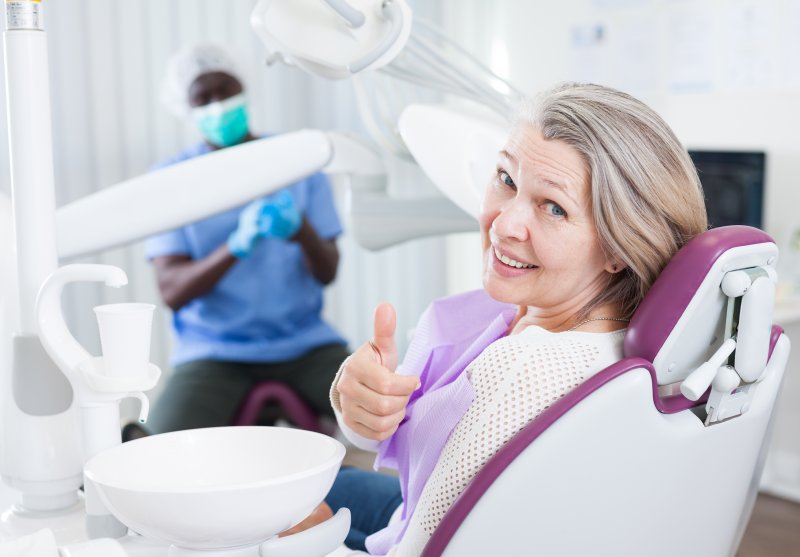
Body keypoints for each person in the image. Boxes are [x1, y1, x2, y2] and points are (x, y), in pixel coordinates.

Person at [292, 83, 708, 555]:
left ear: (618, 246)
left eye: (554, 208)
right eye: (507, 179)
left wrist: (309, 546)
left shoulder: (525, 370)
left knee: (278, 511)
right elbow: (388, 430)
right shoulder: (539, 316)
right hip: (411, 510)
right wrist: (361, 402)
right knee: (334, 487)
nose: (504, 223)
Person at [139, 43, 348, 436]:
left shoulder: (296, 162)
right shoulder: (169, 180)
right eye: (203, 97)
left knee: (392, 418)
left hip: (305, 345)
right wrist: (235, 247)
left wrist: (301, 229)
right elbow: (172, 290)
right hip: (214, 354)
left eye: (226, 90)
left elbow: (328, 271)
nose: (218, 105)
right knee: (160, 445)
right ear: (186, 107)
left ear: (245, 89)